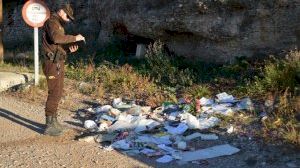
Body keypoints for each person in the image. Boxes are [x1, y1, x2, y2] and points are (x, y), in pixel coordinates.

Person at [41, 3, 85, 136]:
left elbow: (56, 46)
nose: (68, 19)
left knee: (58, 92)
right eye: (67, 16)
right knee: (54, 92)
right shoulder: (51, 22)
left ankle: (54, 122)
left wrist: (68, 51)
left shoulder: (58, 24)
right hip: (51, 63)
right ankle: (49, 126)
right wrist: (75, 37)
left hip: (58, 62)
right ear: (61, 11)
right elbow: (56, 38)